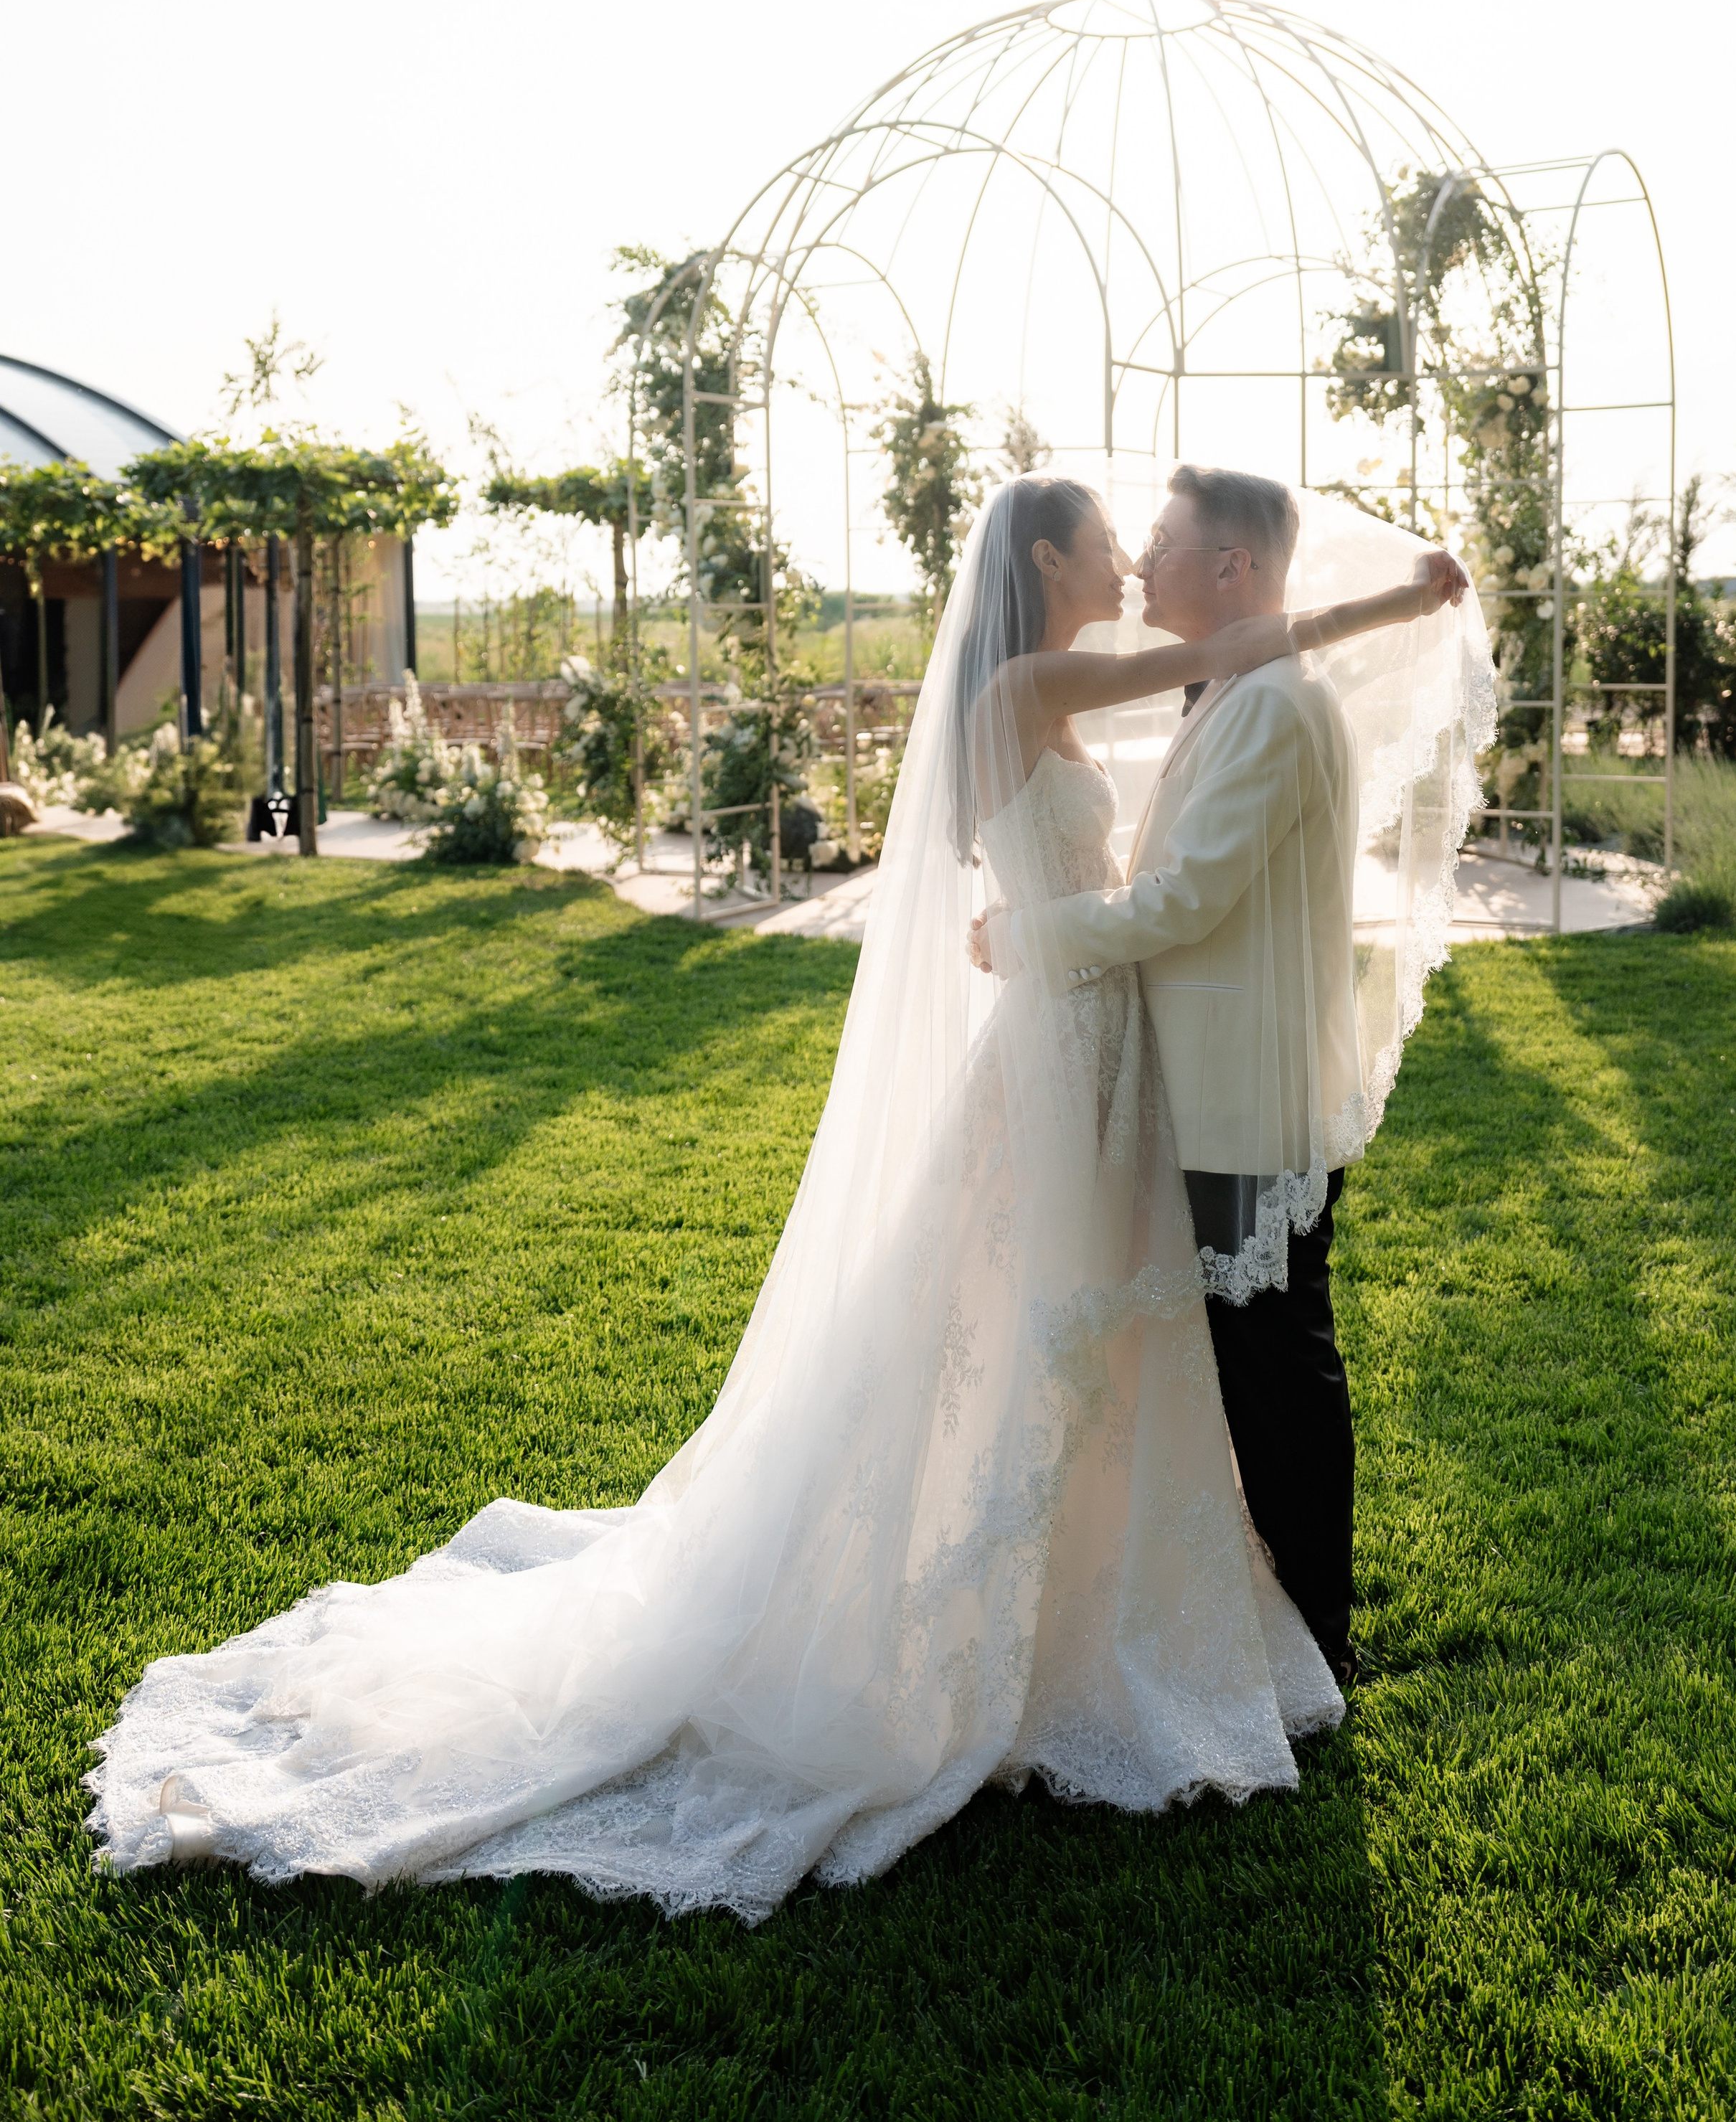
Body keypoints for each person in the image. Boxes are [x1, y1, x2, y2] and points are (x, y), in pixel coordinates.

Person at [88, 473, 1483, 1923]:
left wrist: (1385, 604)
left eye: (1161, 536)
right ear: (1049, 558)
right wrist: (1394, 597)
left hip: (1099, 1048)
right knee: (1031, 1318)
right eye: (1111, 537)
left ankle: (1088, 1603)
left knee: (1077, 1330)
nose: (1135, 551)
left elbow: (1219, 683)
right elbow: (1205, 665)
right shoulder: (1028, 679)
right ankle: (1020, 1615)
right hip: (1064, 1042)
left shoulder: (1071, 690)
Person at [973, 467, 1443, 1679]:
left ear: (1232, 567)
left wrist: (1029, 938)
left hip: (1250, 1096)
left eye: (1168, 541)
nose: (1141, 561)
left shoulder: (1277, 703)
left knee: (1277, 1355)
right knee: (1242, 1354)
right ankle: (1266, 1608)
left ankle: (1317, 1629)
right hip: (1193, 1087)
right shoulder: (1228, 683)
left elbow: (1183, 898)